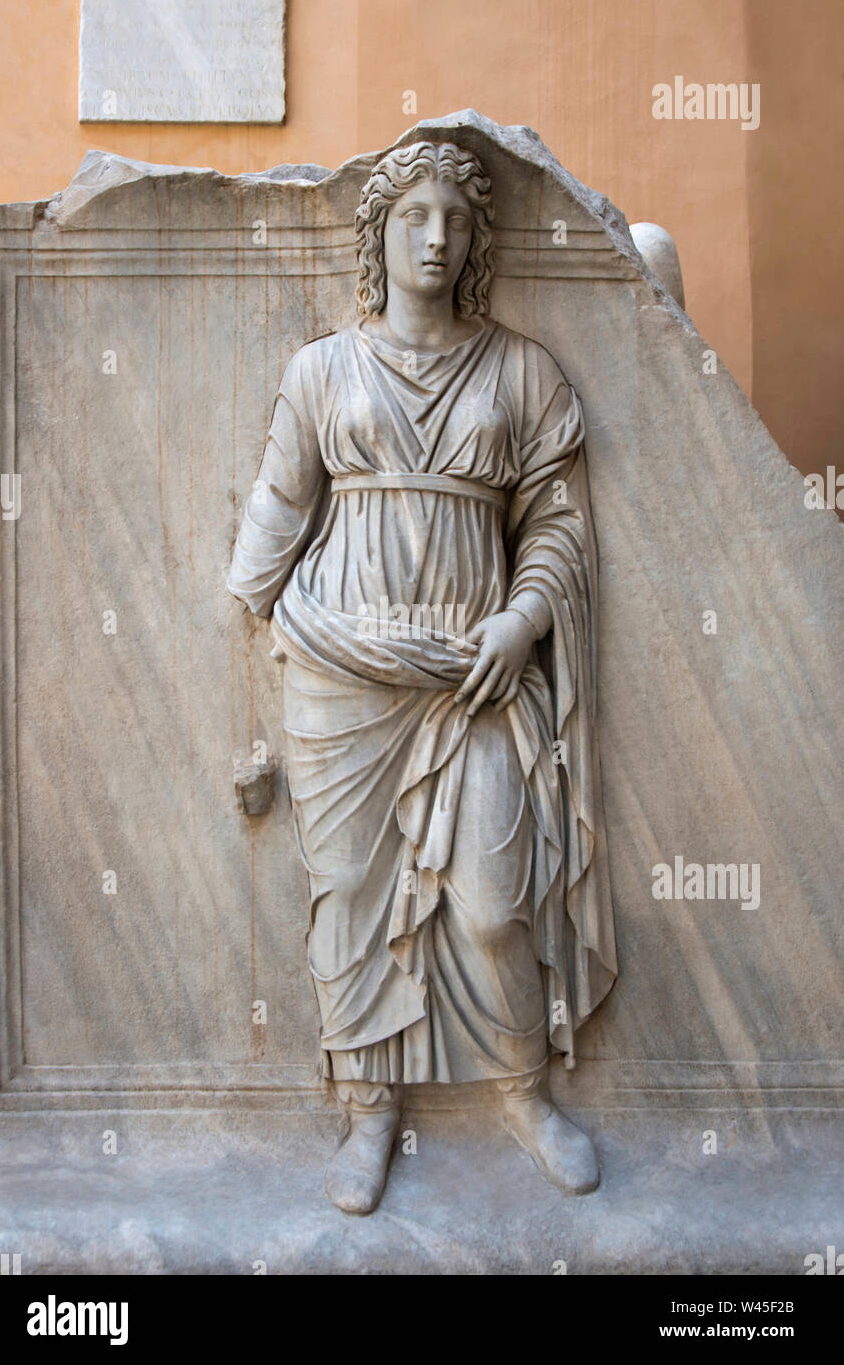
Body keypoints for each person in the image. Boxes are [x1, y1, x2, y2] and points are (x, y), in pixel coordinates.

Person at [228, 140, 616, 1214]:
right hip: (342, 672)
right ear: (380, 233)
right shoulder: (321, 372)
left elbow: (557, 531)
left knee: (494, 901)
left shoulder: (522, 372)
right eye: (414, 217)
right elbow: (272, 522)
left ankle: (525, 1091)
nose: (437, 236)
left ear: (477, 239)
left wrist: (523, 620)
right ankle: (369, 1110)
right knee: (348, 897)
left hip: (475, 672)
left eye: (456, 219)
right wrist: (260, 601)